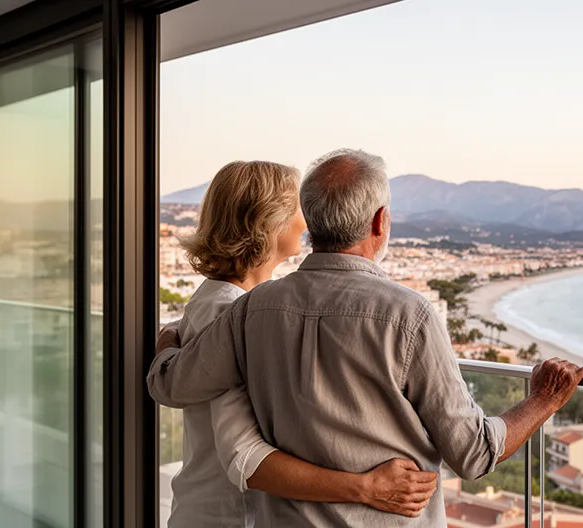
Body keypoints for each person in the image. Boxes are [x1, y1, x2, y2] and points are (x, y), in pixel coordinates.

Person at [148, 149, 583, 526]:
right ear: (381, 222)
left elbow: (172, 384)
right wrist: (544, 399)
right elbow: (473, 453)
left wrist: (170, 338)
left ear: (312, 222)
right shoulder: (410, 316)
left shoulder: (252, 309)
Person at [159, 160, 437, 528]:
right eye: (299, 206)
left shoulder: (244, 304)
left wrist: (167, 344)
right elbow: (245, 457)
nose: (307, 220)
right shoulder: (227, 309)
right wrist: (366, 487)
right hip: (230, 518)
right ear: (269, 221)